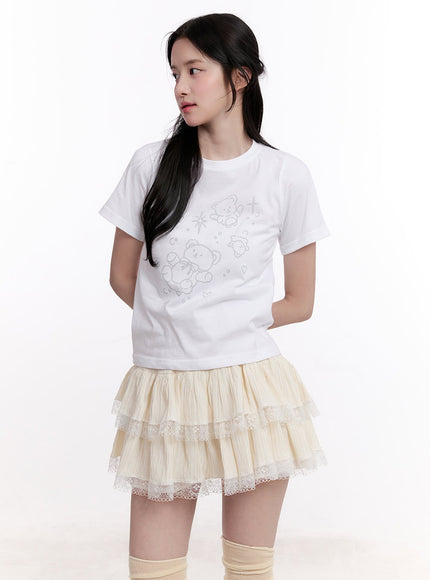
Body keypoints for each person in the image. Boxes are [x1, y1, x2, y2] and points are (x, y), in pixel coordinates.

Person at [98, 12, 331, 580]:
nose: (181, 86)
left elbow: (300, 301)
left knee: (249, 570)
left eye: (195, 70)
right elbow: (122, 277)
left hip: (251, 390)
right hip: (166, 390)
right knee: (153, 571)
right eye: (175, 73)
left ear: (240, 77)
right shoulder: (150, 164)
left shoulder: (285, 175)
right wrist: (179, 323)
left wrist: (227, 323)